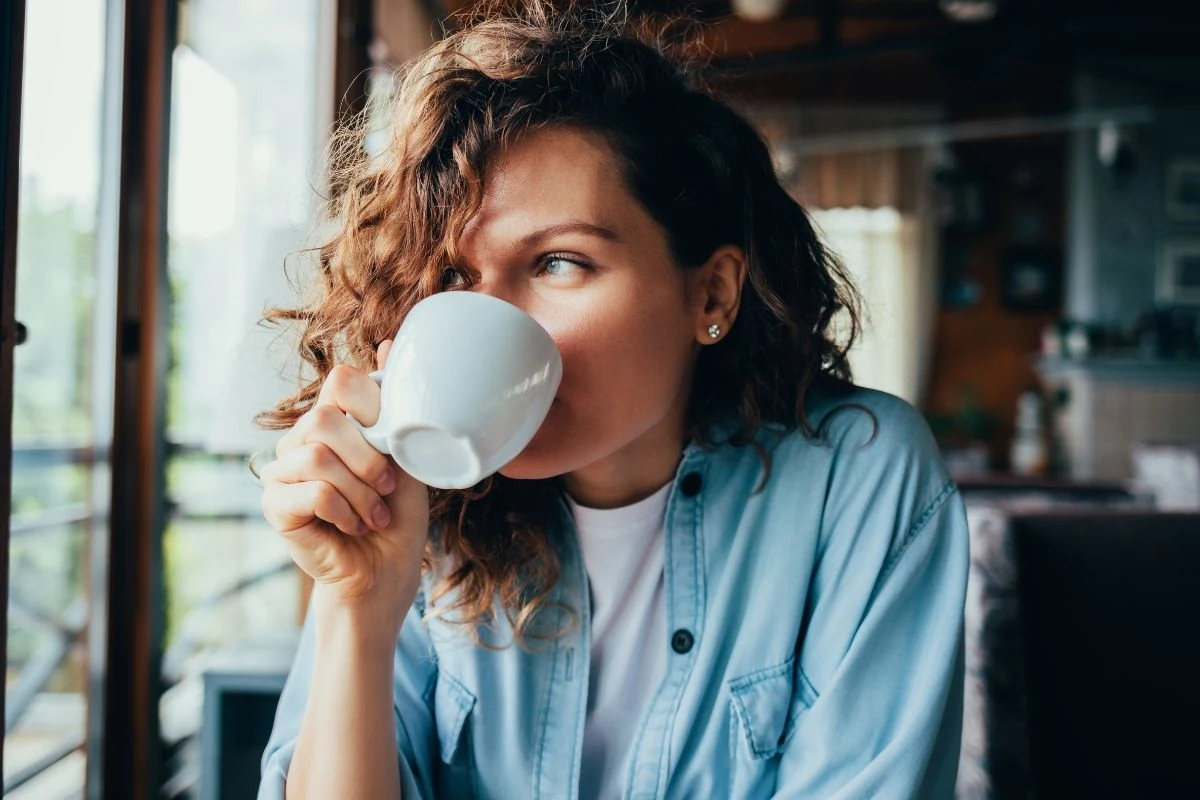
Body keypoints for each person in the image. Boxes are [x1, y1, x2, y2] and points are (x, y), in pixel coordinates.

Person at [255, 1, 969, 798]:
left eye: (559, 262)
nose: (487, 318)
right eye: (456, 278)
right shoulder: (416, 512)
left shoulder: (857, 479)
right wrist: (357, 609)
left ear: (712, 294)